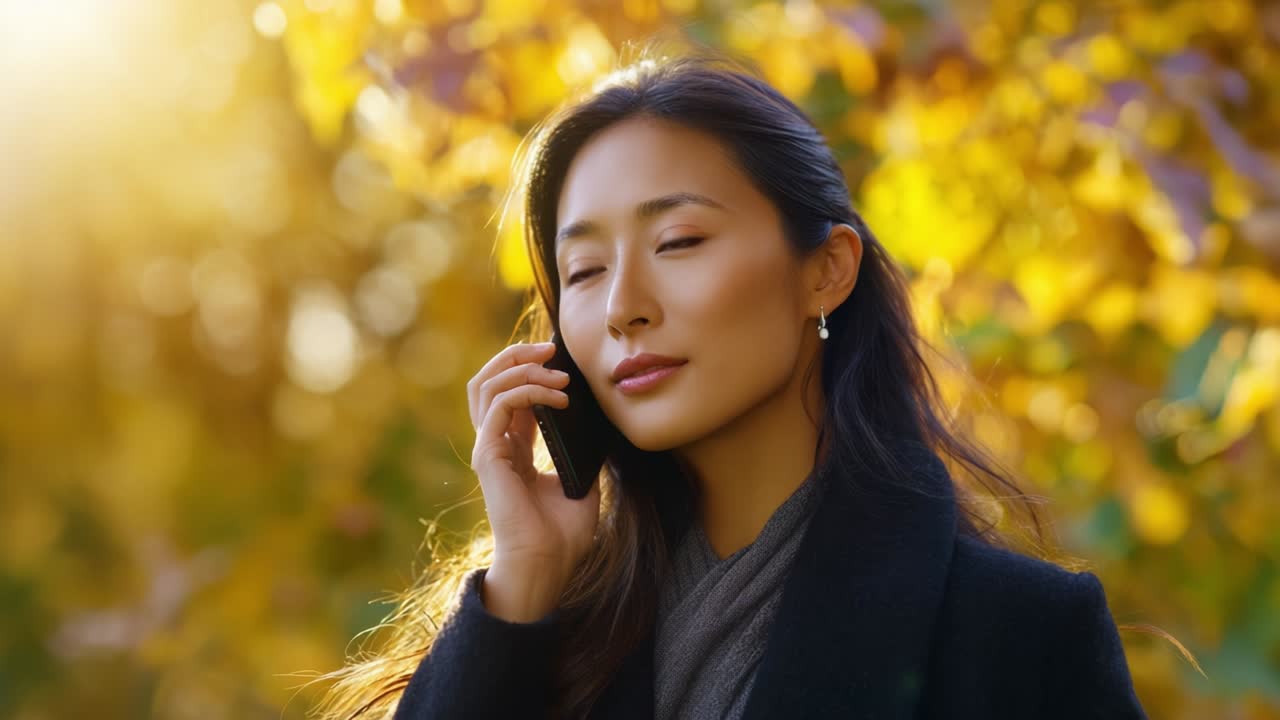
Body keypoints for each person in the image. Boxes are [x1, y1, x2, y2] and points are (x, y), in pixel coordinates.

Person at [313, 50, 1157, 720]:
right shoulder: (545, 636)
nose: (622, 309)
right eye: (584, 269)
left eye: (678, 241)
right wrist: (524, 577)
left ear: (826, 272)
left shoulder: (1017, 637)